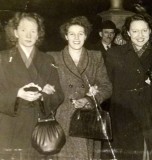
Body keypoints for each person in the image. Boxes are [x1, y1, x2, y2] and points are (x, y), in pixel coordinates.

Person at [0, 12, 64, 159]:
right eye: (23, 30)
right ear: (15, 32)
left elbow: (59, 95)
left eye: (33, 31)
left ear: (38, 34)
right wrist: (17, 93)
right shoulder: (2, 59)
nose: (28, 35)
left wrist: (44, 96)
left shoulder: (48, 59)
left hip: (39, 130)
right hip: (10, 128)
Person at [49, 16, 112, 160]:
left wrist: (91, 98)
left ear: (86, 36)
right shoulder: (53, 58)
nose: (76, 38)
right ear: (66, 36)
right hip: (62, 119)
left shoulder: (96, 57)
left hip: (87, 120)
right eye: (72, 34)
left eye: (80, 34)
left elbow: (107, 86)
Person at [103, 13, 152, 160]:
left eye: (144, 30)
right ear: (128, 33)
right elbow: (107, 84)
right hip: (123, 114)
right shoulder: (115, 53)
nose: (140, 35)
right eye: (135, 31)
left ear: (150, 31)